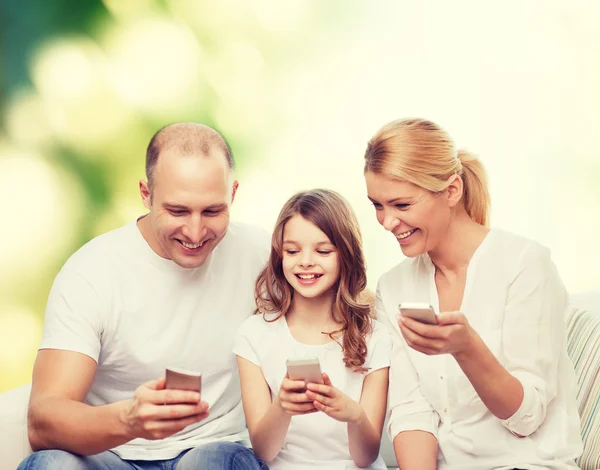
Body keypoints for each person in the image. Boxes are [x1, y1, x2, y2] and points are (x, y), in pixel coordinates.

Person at [18, 123, 270, 470]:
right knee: (50, 465)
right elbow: (43, 421)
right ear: (145, 194)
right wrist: (130, 420)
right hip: (112, 457)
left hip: (213, 451)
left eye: (212, 211)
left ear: (233, 194)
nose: (195, 232)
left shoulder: (261, 254)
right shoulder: (91, 273)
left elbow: (340, 306)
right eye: (178, 211)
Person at [363, 118, 583, 469]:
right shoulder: (394, 287)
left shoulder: (525, 265)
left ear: (452, 191)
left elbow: (527, 418)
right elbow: (412, 413)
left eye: (401, 205)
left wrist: (466, 349)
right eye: (377, 205)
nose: (387, 221)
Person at [233, 188, 392, 470]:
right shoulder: (254, 334)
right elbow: (264, 451)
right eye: (293, 251)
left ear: (346, 255)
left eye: (323, 251)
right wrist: (282, 405)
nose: (305, 261)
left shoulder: (375, 336)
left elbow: (365, 457)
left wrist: (353, 415)